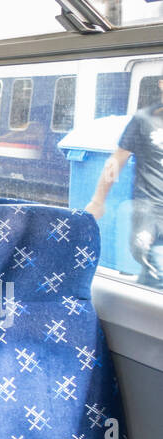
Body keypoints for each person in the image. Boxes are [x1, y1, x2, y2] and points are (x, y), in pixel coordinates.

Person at [87, 76, 163, 288]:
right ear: (161, 84)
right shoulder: (144, 120)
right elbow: (117, 160)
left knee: (154, 278)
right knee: (156, 270)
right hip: (149, 211)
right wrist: (98, 200)